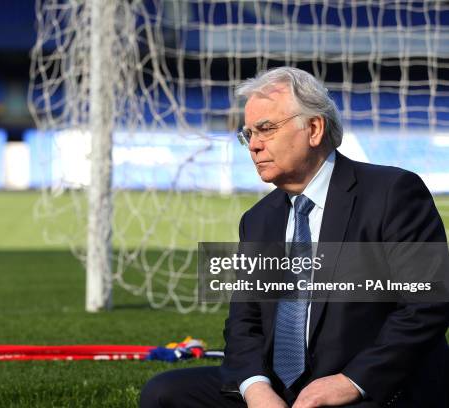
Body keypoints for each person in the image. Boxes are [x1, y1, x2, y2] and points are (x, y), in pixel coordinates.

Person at [140, 67, 449, 408]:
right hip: (282, 390)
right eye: (248, 134)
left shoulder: (392, 193)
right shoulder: (257, 221)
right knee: (165, 394)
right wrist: (257, 390)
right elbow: (244, 325)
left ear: (314, 129)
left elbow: (426, 306)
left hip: (373, 387)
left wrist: (351, 382)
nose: (254, 145)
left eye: (266, 129)